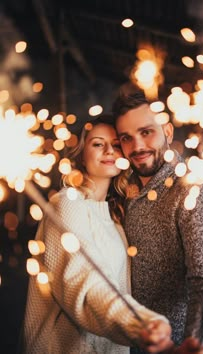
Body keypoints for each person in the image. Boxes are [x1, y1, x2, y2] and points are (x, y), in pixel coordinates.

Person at [22, 114, 173, 354]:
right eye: (98, 144)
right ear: (81, 153)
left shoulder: (115, 220)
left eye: (115, 145)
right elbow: (85, 281)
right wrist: (139, 324)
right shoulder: (67, 203)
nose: (109, 151)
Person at [112, 90, 203, 353]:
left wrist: (199, 340)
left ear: (167, 130)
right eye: (126, 138)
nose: (138, 146)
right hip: (125, 342)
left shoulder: (191, 189)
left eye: (146, 132)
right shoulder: (123, 187)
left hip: (177, 344)